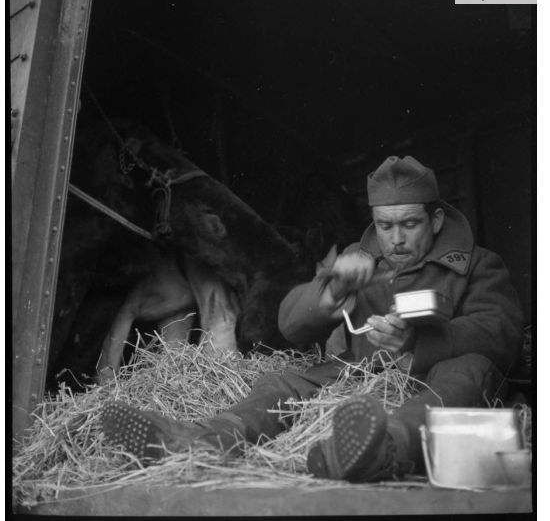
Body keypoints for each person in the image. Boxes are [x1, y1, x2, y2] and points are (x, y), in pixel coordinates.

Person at [101, 155, 524, 482]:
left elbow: (500, 332)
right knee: (286, 380)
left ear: (434, 220)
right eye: (384, 225)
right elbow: (287, 324)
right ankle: (202, 440)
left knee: (468, 370)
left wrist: (417, 344)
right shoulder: (361, 262)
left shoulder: (477, 264)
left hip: (435, 377)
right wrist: (334, 289)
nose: (395, 239)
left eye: (409, 225)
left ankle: (385, 450)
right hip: (363, 374)